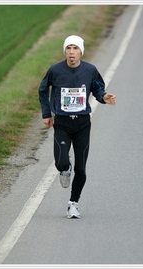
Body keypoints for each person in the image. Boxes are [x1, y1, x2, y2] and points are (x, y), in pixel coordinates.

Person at [38, 35, 116, 219]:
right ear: (65, 51)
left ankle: (73, 204)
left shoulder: (90, 70)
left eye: (75, 48)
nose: (71, 52)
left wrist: (103, 97)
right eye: (68, 48)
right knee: (62, 163)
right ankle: (66, 167)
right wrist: (47, 113)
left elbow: (98, 88)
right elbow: (43, 90)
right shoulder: (55, 70)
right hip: (63, 123)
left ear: (81, 51)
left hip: (82, 124)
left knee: (81, 169)